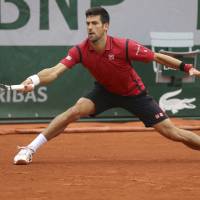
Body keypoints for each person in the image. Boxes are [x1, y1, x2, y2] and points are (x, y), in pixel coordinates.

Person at [13, 7, 200, 165]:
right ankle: (30, 149)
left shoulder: (123, 46)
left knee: (173, 133)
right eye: (87, 24)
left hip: (135, 95)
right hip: (106, 91)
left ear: (105, 26)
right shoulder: (80, 50)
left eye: (94, 23)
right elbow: (54, 71)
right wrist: (34, 80)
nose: (90, 27)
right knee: (74, 111)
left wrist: (187, 67)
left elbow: (157, 57)